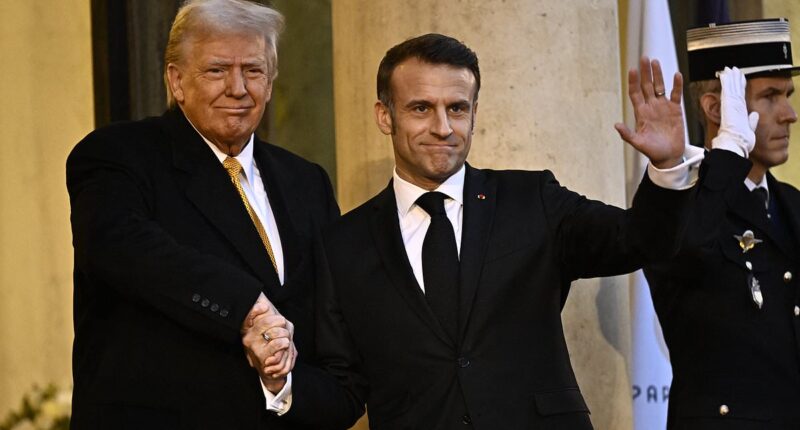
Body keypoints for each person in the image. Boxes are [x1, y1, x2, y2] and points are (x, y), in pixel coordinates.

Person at [290, 33, 751, 429]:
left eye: (457, 108)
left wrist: (667, 168)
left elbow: (639, 240)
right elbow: (344, 388)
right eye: (420, 108)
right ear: (385, 116)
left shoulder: (533, 200)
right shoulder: (343, 244)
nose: (443, 127)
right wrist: (278, 383)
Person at [67, 1, 342, 428]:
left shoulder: (306, 181)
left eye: (253, 70)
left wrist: (288, 391)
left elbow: (330, 320)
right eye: (216, 70)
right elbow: (118, 245)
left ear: (270, 83)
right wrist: (246, 308)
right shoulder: (118, 156)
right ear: (176, 81)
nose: (238, 88)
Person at [644, 18, 800, 429]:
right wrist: (727, 156)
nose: (789, 114)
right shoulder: (678, 202)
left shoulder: (792, 205)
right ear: (716, 108)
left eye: (788, 95)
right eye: (769, 96)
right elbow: (687, 249)